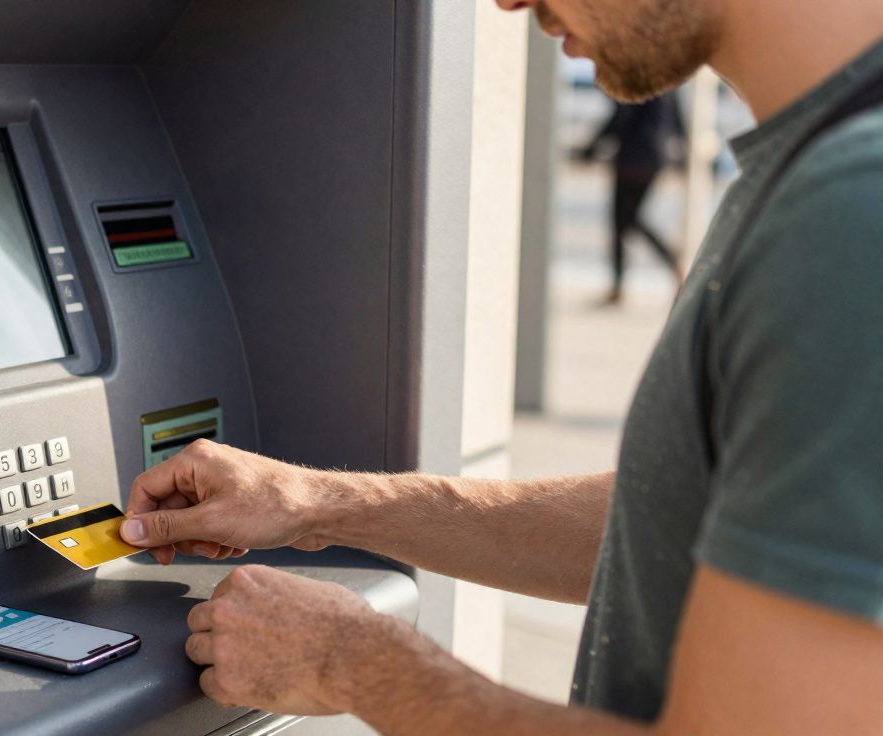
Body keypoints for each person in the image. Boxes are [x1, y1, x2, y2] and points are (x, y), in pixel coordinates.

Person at [117, 0, 883, 733]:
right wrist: (316, 504)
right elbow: (668, 524)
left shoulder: (850, 215)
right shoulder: (818, 171)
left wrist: (349, 660)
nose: (509, 4)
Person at [579, 93, 687, 304]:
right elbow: (678, 123)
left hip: (630, 161)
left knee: (624, 221)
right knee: (630, 219)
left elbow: (620, 120)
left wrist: (590, 150)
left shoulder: (637, 82)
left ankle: (668, 262)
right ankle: (623, 284)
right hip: (654, 159)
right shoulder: (669, 87)